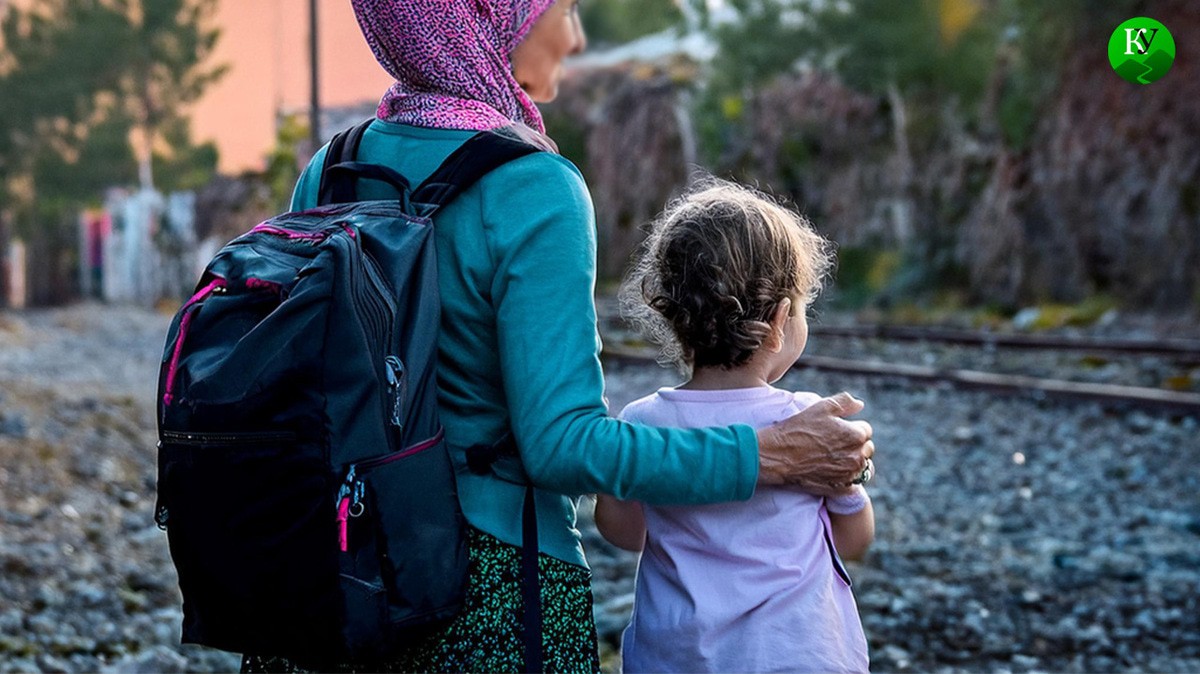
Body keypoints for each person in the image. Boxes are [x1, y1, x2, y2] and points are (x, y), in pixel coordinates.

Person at [243, 1, 874, 672]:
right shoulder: (531, 186)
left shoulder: (332, 168)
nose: (574, 38)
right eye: (564, 7)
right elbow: (559, 447)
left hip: (332, 567)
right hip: (484, 584)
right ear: (486, 16)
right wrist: (766, 457)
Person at [595, 179, 875, 673]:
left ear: (674, 315)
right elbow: (853, 541)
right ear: (782, 318)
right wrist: (853, 487)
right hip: (798, 657)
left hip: (677, 659)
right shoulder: (806, 423)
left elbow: (621, 530)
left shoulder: (642, 423)